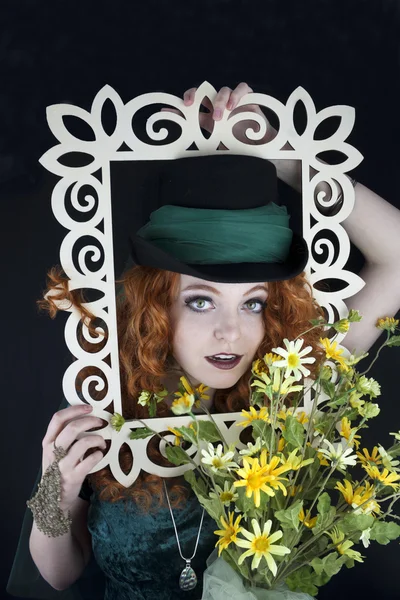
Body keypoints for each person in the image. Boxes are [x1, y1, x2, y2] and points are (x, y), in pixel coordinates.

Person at [7, 83, 400, 600]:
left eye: (253, 302)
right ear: (158, 304)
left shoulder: (293, 389)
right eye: (200, 300)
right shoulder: (106, 402)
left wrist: (282, 155)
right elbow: (60, 575)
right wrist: (53, 493)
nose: (231, 332)